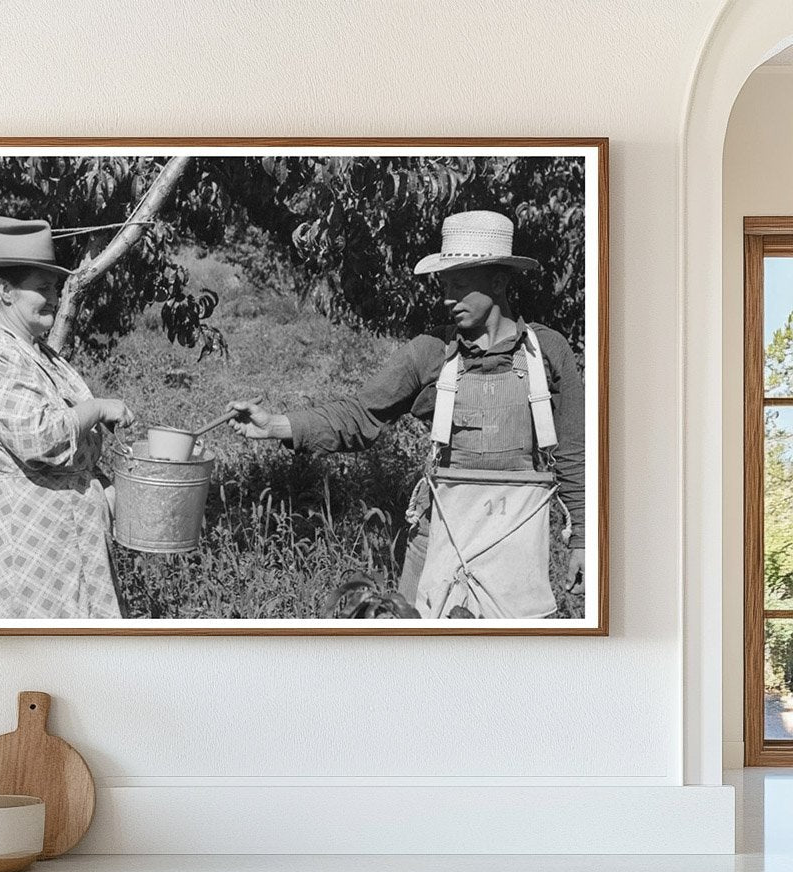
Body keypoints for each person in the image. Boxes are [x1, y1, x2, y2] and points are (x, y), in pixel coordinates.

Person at [228, 210, 585, 620]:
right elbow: (360, 414)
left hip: (516, 547)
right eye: (444, 285)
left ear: (499, 282)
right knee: (416, 647)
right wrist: (275, 425)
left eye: (460, 285)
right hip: (439, 543)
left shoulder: (547, 352)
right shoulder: (431, 352)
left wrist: (582, 540)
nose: (447, 298)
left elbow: (575, 451)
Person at [0, 216, 135, 619]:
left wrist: (103, 489)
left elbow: (69, 454)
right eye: (43, 288)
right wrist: (97, 408)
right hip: (24, 544)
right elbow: (41, 439)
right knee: (25, 652)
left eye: (55, 288)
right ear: (5, 291)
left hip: (68, 545)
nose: (53, 298)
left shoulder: (42, 357)